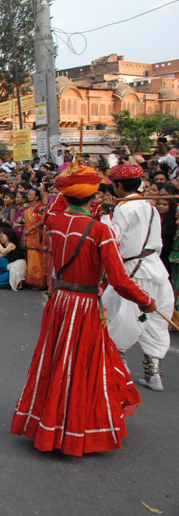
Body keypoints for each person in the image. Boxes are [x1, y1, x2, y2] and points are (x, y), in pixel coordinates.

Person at [11, 161, 155, 456]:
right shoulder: (100, 230)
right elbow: (119, 280)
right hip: (86, 305)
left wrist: (69, 179)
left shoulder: (56, 221)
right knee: (83, 366)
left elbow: (56, 204)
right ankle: (76, 429)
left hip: (60, 301)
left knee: (55, 362)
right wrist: (146, 301)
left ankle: (47, 423)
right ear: (95, 198)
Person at [101, 164, 173, 392]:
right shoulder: (149, 205)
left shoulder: (126, 207)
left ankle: (118, 365)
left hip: (134, 269)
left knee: (124, 317)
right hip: (156, 267)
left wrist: (104, 216)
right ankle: (153, 373)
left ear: (119, 186)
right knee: (154, 320)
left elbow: (111, 237)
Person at [22, 187, 48, 289]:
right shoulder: (27, 210)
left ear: (37, 197)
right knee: (31, 258)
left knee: (39, 259)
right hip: (29, 237)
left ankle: (40, 282)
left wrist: (31, 229)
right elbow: (25, 225)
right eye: (28, 194)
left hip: (38, 236)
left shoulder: (41, 208)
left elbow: (42, 221)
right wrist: (24, 235)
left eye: (31, 194)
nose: (29, 196)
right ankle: (32, 281)